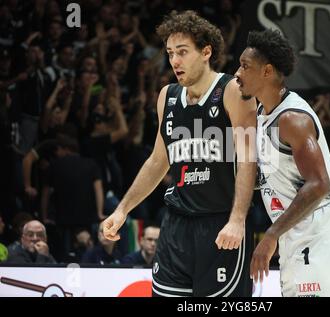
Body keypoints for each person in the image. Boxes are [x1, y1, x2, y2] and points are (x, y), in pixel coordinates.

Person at [102, 11, 256, 297]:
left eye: (183, 52)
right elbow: (158, 161)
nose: (174, 61)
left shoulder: (232, 90)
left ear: (206, 52)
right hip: (176, 225)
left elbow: (248, 159)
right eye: (171, 53)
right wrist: (123, 209)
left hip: (220, 223)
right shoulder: (167, 96)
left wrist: (237, 220)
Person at [235, 29, 330, 297]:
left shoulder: (292, 119)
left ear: (267, 72)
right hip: (294, 229)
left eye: (244, 66)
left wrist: (270, 236)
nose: (237, 73)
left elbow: (319, 184)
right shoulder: (262, 113)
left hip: (320, 226)